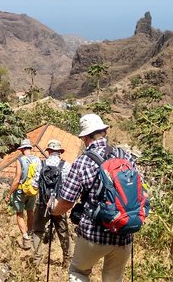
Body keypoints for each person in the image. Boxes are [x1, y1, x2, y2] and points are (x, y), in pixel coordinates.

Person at [51, 114, 139, 282]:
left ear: (85, 137)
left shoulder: (83, 162)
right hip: (124, 232)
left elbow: (66, 202)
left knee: (79, 272)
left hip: (93, 234)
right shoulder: (126, 156)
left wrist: (53, 210)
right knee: (114, 279)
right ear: (104, 132)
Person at [31, 139, 71, 266]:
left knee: (38, 230)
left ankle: (37, 259)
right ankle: (67, 259)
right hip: (59, 204)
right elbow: (68, 186)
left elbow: (34, 185)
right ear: (60, 152)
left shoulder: (40, 164)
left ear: (48, 151)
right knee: (63, 231)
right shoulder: (66, 165)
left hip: (42, 203)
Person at [4, 138, 42, 250]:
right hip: (33, 190)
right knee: (30, 211)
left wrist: (9, 194)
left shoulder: (20, 160)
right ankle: (30, 233)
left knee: (19, 213)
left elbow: (17, 179)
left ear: (22, 149)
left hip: (21, 191)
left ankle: (25, 238)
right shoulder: (38, 160)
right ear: (30, 148)